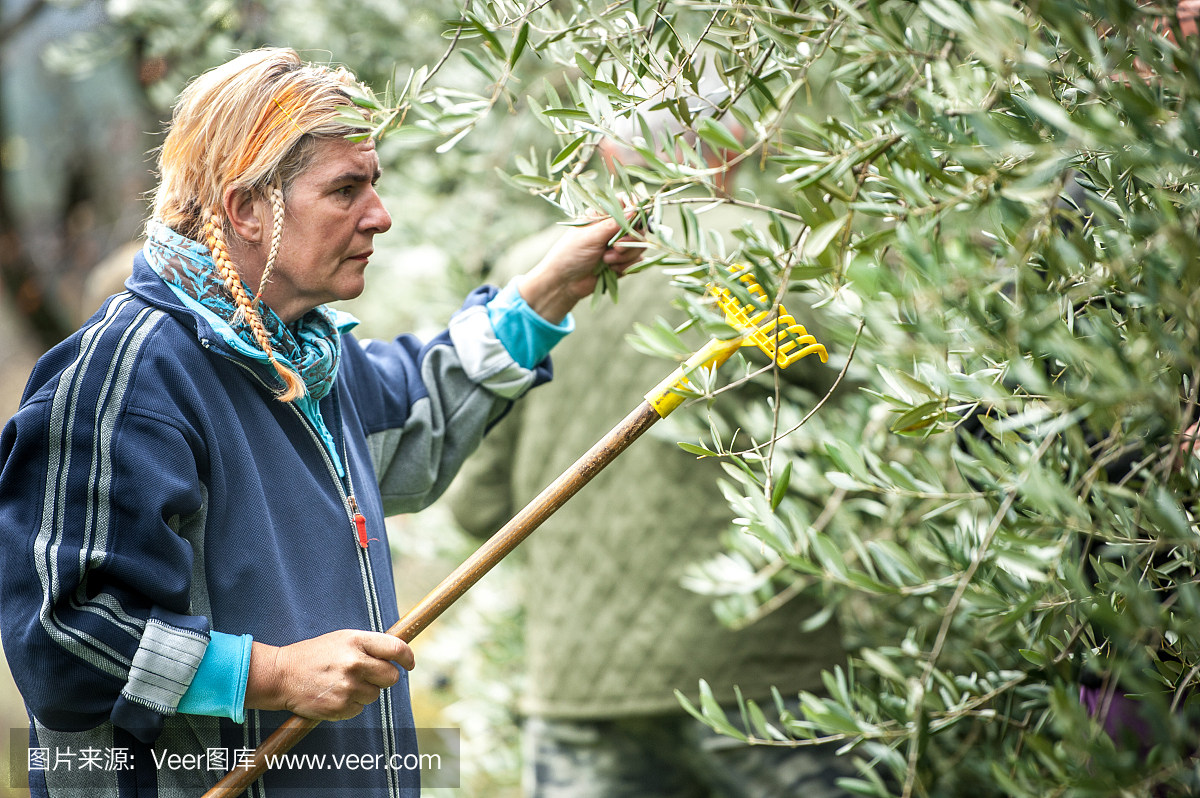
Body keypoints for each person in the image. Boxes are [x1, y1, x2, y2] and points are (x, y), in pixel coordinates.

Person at [0, 47, 639, 798]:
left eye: (375, 184)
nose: (380, 215)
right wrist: (274, 674)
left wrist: (545, 292)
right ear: (245, 208)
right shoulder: (122, 381)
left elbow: (413, 420)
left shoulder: (301, 356)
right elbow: (63, 634)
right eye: (346, 189)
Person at [448, 128, 853, 797]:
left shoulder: (534, 272)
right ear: (732, 150)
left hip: (579, 675)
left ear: (605, 155)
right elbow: (871, 399)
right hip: (757, 673)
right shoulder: (761, 259)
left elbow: (479, 505)